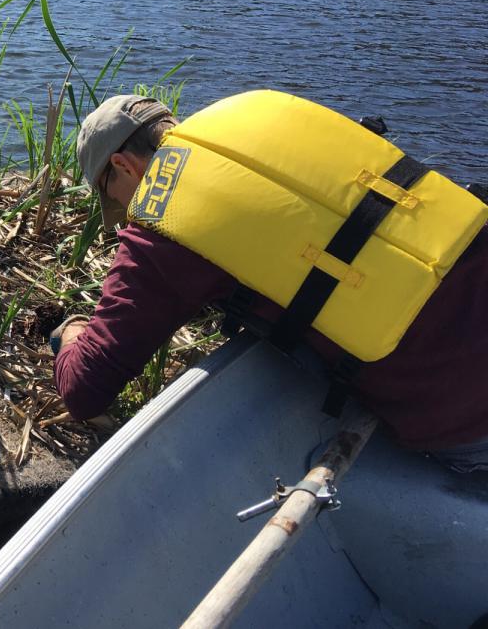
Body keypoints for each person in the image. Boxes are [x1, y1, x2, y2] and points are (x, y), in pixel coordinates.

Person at [52, 90, 488, 468]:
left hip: (463, 405)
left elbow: (85, 390)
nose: (126, 213)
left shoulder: (162, 220)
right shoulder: (255, 114)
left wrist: (69, 334)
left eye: (115, 198)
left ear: (123, 167)